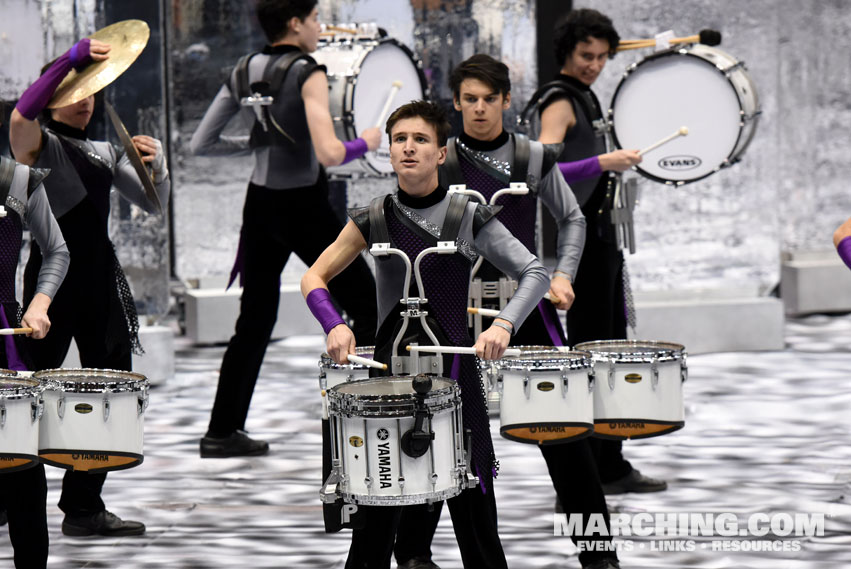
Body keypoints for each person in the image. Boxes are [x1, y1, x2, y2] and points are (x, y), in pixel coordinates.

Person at [302, 99, 550, 569]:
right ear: (389, 152)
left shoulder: (467, 216)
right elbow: (312, 278)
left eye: (420, 140)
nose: (408, 148)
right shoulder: (373, 217)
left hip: (458, 383)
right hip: (389, 385)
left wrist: (503, 323)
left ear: (441, 153)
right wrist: (333, 324)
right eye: (399, 140)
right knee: (375, 523)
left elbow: (534, 272)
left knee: (477, 522)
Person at [394, 54, 620, 569]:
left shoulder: (533, 156)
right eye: (469, 99)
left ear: (506, 101)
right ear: (455, 103)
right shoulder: (440, 157)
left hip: (524, 308)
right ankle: (413, 554)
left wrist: (562, 274)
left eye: (488, 99)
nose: (478, 109)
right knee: (439, 430)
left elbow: (573, 218)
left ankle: (599, 554)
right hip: (449, 312)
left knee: (560, 430)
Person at [190, 0, 379, 458]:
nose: (318, 28)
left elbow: (202, 143)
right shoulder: (306, 70)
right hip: (304, 206)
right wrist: (367, 142)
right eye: (315, 19)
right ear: (295, 23)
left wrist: (254, 141)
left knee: (253, 321)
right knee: (367, 302)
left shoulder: (242, 69)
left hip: (260, 206)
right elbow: (331, 154)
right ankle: (376, 412)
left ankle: (221, 431)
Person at [9, 35, 170, 537]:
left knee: (111, 395)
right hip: (49, 292)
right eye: (73, 91)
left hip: (101, 284)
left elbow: (152, 203)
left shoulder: (102, 150)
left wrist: (157, 163)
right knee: (20, 393)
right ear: (52, 94)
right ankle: (5, 492)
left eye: (91, 91)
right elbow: (19, 117)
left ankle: (83, 507)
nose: (84, 100)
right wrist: (67, 63)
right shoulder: (37, 145)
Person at [534, 8, 666, 496]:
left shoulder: (585, 95)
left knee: (610, 349)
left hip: (602, 236)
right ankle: (591, 467)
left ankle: (609, 462)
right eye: (585, 55)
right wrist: (603, 161)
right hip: (580, 240)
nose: (593, 64)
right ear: (567, 52)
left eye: (601, 57)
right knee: (592, 352)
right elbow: (538, 171)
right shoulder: (558, 100)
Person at [0, 112, 69, 567]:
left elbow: (56, 250)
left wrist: (40, 302)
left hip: (6, 338)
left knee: (24, 471)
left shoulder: (17, 179)